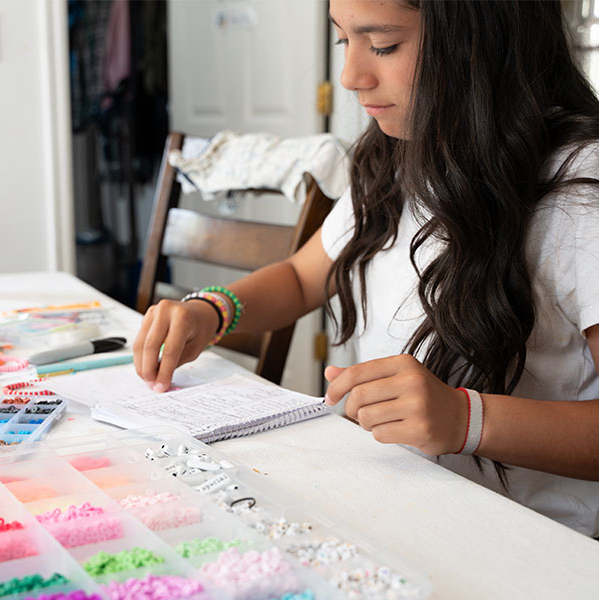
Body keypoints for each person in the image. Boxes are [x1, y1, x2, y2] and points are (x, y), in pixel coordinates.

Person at [133, 0, 599, 537]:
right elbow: (302, 278)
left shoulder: (578, 189)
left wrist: (465, 419)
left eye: (383, 45)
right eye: (342, 40)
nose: (352, 76)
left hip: (525, 545)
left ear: (482, 40)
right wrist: (212, 309)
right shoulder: (396, 157)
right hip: (391, 512)